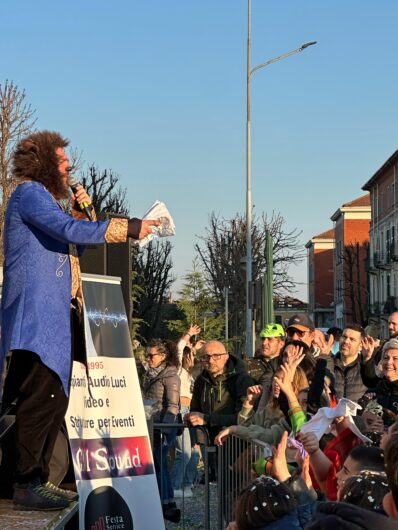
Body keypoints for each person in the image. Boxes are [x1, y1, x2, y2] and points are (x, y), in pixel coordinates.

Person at [0, 131, 159, 511]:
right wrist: (129, 227)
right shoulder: (29, 194)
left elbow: (78, 242)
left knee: (50, 398)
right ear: (42, 164)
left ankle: (33, 478)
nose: (69, 168)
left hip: (52, 317)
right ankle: (26, 481)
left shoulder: (45, 201)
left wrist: (85, 210)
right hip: (37, 317)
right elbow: (69, 232)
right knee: (43, 396)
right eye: (63, 162)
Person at [186, 340, 254, 482]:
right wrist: (190, 417)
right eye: (206, 357)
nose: (211, 360)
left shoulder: (242, 380)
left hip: (237, 446)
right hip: (211, 445)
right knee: (222, 493)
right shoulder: (201, 380)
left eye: (216, 356)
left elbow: (243, 418)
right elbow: (195, 409)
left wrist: (207, 419)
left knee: (236, 488)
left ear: (226, 356)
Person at [142, 339, 181, 523]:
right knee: (158, 465)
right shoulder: (150, 374)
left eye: (151, 355)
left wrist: (166, 431)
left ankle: (166, 503)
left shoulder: (170, 376)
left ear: (163, 356)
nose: (148, 359)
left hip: (162, 427)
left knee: (160, 465)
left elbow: (173, 406)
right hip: (152, 425)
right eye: (146, 355)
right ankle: (165, 502)